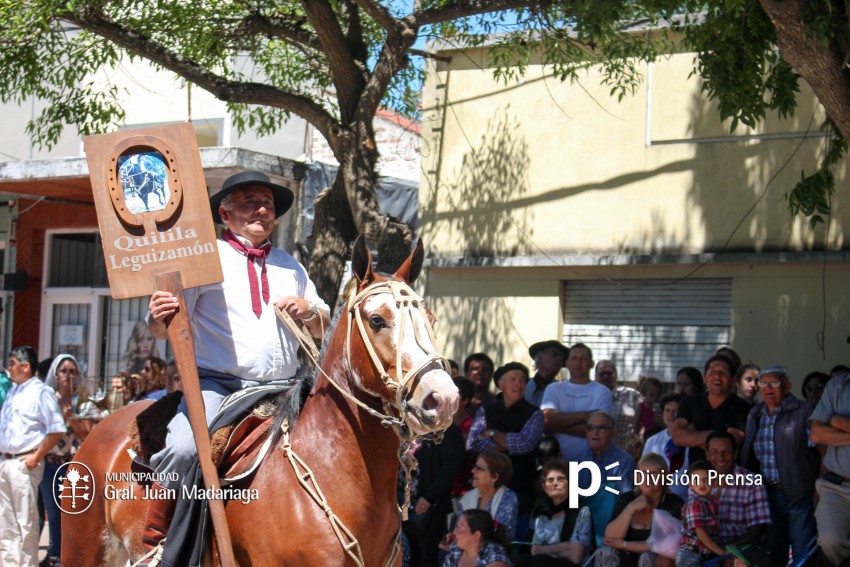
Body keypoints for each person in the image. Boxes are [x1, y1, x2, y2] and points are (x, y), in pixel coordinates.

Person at [144, 171, 331, 558]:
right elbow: (164, 329)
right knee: (183, 448)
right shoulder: (202, 259)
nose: (262, 209)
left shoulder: (290, 266)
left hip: (285, 388)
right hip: (219, 387)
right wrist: (157, 315)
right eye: (250, 202)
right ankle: (155, 540)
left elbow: (322, 322)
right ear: (225, 214)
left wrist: (308, 309)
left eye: (268, 203)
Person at [740, 365, 818, 567]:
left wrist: (818, 487)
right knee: (774, 552)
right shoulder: (755, 414)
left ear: (787, 386)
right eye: (763, 383)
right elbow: (750, 457)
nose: (768, 388)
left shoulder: (804, 411)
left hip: (799, 494)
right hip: (768, 495)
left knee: (803, 553)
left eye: (774, 383)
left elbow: (820, 451)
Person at [0, 346, 65, 567]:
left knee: (25, 524)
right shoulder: (13, 391)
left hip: (24, 462)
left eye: (12, 363)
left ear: (25, 366)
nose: (9, 368)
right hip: (5, 461)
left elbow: (56, 429)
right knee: (6, 524)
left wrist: (36, 457)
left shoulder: (41, 391)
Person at [40, 354, 103, 566]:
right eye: (64, 371)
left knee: (73, 511)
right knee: (54, 514)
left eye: (72, 371)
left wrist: (70, 418)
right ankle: (57, 556)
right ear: (56, 375)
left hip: (73, 465)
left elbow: (87, 433)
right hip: (49, 463)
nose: (68, 376)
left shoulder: (82, 400)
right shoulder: (47, 398)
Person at [469, 362, 544, 537]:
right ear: (500, 384)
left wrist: (492, 433)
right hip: (485, 489)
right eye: (513, 379)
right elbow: (473, 442)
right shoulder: (486, 410)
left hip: (520, 486)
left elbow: (525, 445)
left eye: (522, 380)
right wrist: (508, 444)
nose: (518, 384)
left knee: (512, 540)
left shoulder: (534, 414)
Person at [405, 388, 467, 567]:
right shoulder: (412, 426)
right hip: (404, 501)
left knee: (427, 556)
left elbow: (449, 468)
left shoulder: (449, 431)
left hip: (429, 506)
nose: (429, 401)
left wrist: (429, 497)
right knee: (409, 552)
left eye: (435, 398)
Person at [596, 452, 683, 567]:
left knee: (649, 557)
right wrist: (630, 509)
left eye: (654, 473)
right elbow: (610, 538)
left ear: (664, 477)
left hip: (655, 560)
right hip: (625, 560)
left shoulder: (673, 503)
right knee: (605, 553)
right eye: (643, 473)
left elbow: (668, 545)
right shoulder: (628, 499)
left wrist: (624, 544)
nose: (647, 478)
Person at [671, 354, 750, 463]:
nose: (717, 376)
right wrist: (717, 434)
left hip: (727, 476)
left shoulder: (742, 407)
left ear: (733, 380)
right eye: (712, 372)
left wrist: (692, 433)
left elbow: (728, 446)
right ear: (704, 377)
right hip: (696, 475)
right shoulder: (689, 402)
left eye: (723, 373)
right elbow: (676, 436)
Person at [542, 343, 613, 460]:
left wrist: (556, 425)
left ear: (591, 363)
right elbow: (546, 421)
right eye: (574, 358)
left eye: (583, 358)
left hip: (591, 462)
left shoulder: (602, 392)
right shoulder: (553, 389)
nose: (578, 363)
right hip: (557, 463)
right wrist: (583, 416)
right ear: (567, 363)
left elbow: (599, 431)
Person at [809, 366, 850, 566]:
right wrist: (832, 423)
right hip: (837, 486)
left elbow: (827, 427)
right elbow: (817, 434)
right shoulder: (838, 385)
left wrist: (837, 421)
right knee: (830, 541)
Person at [576, 411, 635, 547]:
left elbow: (624, 504)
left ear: (613, 433)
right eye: (590, 428)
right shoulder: (578, 459)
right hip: (581, 529)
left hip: (611, 531)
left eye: (601, 428)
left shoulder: (624, 461)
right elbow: (573, 502)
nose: (595, 433)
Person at [705, 431, 770, 547]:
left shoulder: (753, 483)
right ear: (707, 455)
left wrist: (725, 551)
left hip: (739, 550)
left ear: (735, 454)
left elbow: (757, 532)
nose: (720, 458)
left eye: (726, 452)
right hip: (707, 547)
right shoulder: (699, 481)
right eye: (714, 452)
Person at [526, 461, 593, 567]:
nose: (555, 483)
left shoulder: (581, 512)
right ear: (544, 487)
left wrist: (546, 551)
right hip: (543, 562)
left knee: (539, 561)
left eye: (560, 479)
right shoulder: (542, 513)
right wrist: (565, 546)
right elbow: (535, 550)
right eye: (550, 480)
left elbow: (575, 557)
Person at [458, 451, 520, 539]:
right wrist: (453, 537)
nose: (472, 471)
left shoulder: (508, 498)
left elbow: (502, 536)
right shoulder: (468, 497)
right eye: (474, 467)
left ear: (494, 477)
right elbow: (458, 530)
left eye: (479, 468)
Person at [677, 460, 724, 567]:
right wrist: (720, 551)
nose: (702, 483)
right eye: (697, 480)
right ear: (689, 484)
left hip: (706, 552)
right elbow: (700, 532)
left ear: (714, 482)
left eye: (706, 479)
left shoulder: (713, 502)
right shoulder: (694, 503)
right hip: (690, 553)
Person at [642, 393, 689, 500]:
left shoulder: (692, 441)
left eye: (676, 410)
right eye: (667, 410)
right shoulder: (652, 442)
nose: (671, 415)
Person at [594, 361, 640, 454]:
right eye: (602, 374)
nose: (605, 376)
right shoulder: (589, 397)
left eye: (609, 373)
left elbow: (645, 420)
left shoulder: (632, 395)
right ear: (596, 377)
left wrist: (636, 441)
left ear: (616, 375)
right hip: (596, 457)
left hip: (625, 455)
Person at [442, 509, 514, 567]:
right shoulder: (455, 550)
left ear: (477, 535)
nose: (455, 531)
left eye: (460, 529)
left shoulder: (495, 553)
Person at [526, 341, 568, 407]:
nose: (559, 358)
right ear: (540, 357)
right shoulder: (522, 385)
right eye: (555, 354)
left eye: (562, 358)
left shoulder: (563, 392)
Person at [465, 353, 497, 418]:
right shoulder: (456, 404)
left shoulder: (498, 404)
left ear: (491, 375)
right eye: (475, 369)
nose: (480, 372)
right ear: (466, 374)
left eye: (485, 370)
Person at [635, 377, 663, 443]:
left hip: (661, 436)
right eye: (651, 395)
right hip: (648, 437)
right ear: (644, 394)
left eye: (657, 396)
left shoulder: (663, 407)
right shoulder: (641, 407)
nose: (654, 399)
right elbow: (635, 427)